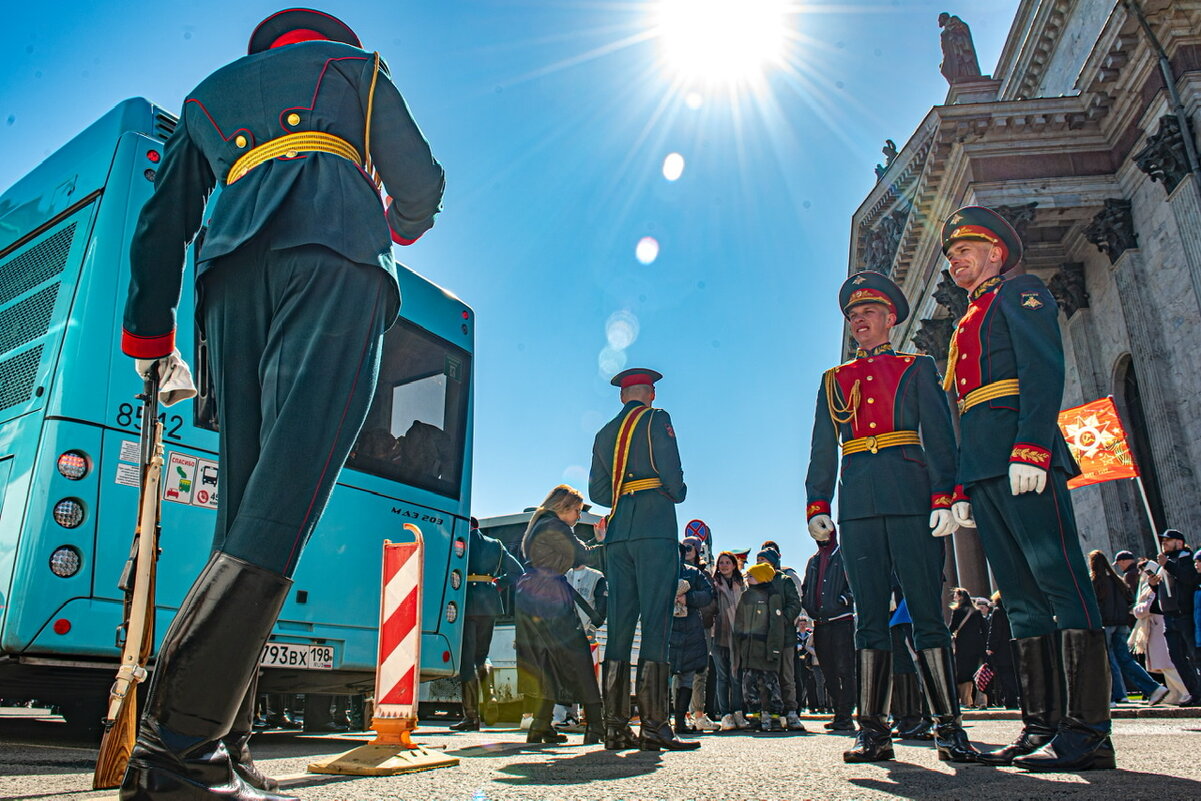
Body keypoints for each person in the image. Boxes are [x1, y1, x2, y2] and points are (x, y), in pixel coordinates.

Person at [118, 9, 444, 800]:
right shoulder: (361, 71)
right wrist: (392, 225)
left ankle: (226, 742)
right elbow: (421, 182)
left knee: (246, 509)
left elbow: (161, 223)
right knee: (282, 504)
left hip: (228, 282)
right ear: (325, 36)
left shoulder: (207, 95)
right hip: (333, 259)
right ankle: (178, 753)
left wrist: (149, 335)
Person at [943, 206, 1110, 771]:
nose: (953, 260)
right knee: (1017, 596)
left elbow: (1043, 368)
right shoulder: (967, 319)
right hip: (986, 467)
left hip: (1021, 456)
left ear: (996, 252)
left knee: (1060, 580)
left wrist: (1033, 445)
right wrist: (962, 485)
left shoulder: (1021, 294)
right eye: (949, 254)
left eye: (964, 249)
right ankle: (1041, 726)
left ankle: (1089, 733)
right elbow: (963, 408)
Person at [805, 270, 975, 764]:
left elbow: (940, 437)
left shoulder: (916, 367)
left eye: (868, 313)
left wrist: (947, 494)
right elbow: (822, 448)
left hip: (911, 496)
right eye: (853, 316)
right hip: (857, 503)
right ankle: (873, 731)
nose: (859, 321)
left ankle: (949, 728)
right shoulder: (833, 381)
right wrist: (818, 504)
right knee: (869, 620)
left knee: (927, 612)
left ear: (890, 319)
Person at [588, 368, 696, 751]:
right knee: (656, 624)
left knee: (618, 628)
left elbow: (598, 490)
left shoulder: (603, 434)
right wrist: (676, 491)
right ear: (649, 394)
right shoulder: (657, 419)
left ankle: (614, 727)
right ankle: (654, 727)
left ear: (622, 397)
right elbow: (673, 476)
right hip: (654, 527)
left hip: (617, 536)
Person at [516, 485, 605, 744]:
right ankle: (596, 727)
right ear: (563, 508)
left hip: (530, 594)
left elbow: (574, 553)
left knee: (544, 661)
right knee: (578, 657)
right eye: (576, 510)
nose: (578, 516)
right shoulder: (557, 527)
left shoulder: (540, 525)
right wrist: (601, 540)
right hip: (550, 595)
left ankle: (540, 725)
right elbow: (582, 556)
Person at [454, 517, 523, 731]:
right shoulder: (496, 545)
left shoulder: (460, 542)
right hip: (489, 604)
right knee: (482, 655)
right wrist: (497, 584)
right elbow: (518, 571)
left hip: (466, 602)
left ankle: (471, 717)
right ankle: (491, 696)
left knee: (467, 659)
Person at [1089, 549, 1168, 706]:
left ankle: (1115, 695)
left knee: (1109, 660)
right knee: (1125, 659)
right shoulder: (1119, 580)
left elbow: (1094, 605)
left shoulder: (1095, 582)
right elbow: (1130, 600)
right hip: (1122, 623)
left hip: (1106, 624)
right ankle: (1152, 688)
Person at [800, 531, 855, 732]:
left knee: (844, 668)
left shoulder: (844, 555)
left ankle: (845, 713)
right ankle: (839, 710)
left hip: (841, 621)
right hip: (821, 622)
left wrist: (842, 601)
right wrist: (807, 603)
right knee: (827, 669)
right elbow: (806, 587)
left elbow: (855, 583)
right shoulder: (813, 561)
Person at [734, 562, 790, 732]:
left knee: (770, 683)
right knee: (749, 684)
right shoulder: (746, 597)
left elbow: (776, 625)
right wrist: (740, 643)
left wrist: (774, 649)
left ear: (761, 577)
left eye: (751, 575)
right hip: (749, 649)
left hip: (766, 648)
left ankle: (774, 717)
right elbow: (739, 622)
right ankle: (756, 716)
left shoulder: (772, 596)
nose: (747, 578)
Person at [755, 548, 806, 731]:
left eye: (764, 559)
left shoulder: (784, 581)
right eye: (758, 559)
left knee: (787, 675)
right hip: (764, 638)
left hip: (785, 637)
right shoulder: (756, 581)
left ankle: (791, 712)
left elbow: (795, 603)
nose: (761, 563)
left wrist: (782, 620)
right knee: (766, 677)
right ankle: (768, 713)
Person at [669, 543, 715, 734]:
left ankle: (680, 721)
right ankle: (663, 720)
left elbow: (708, 594)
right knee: (665, 676)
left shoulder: (694, 573)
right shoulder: (658, 571)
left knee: (687, 676)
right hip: (669, 629)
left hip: (690, 629)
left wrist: (688, 598)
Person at [1131, 563, 1192, 704]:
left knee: (1167, 664)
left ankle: (1186, 691)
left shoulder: (1153, 587)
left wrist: (1136, 610)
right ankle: (1175, 694)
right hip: (1154, 628)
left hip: (1158, 627)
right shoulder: (1149, 587)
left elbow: (1147, 607)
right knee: (1164, 665)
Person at [1153, 530, 1200, 700]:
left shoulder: (1186, 558)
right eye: (1163, 540)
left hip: (1184, 614)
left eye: (1168, 540)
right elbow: (1167, 589)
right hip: (1169, 615)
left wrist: (1168, 565)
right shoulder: (1165, 562)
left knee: (1193, 654)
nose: (1164, 543)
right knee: (1176, 656)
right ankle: (1195, 692)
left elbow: (1189, 579)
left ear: (1179, 542)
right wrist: (1153, 585)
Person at [710, 551, 749, 731]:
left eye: (727, 562)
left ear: (734, 565)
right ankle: (725, 715)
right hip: (718, 634)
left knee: (737, 677)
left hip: (738, 635)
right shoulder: (713, 584)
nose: (724, 565)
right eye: (721, 563)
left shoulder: (742, 585)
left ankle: (738, 712)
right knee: (723, 676)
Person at [949, 588, 987, 709]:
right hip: (978, 645)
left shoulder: (958, 611)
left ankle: (966, 701)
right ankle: (982, 701)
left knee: (964, 673)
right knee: (979, 672)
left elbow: (952, 628)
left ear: (960, 597)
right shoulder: (976, 611)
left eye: (955, 595)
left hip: (963, 646)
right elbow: (985, 629)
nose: (954, 598)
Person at [985, 592, 1020, 709]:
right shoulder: (1012, 608)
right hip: (1014, 646)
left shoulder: (998, 611)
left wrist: (990, 647)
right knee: (1015, 674)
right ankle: (1018, 698)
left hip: (1002, 649)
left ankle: (1010, 700)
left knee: (1005, 676)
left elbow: (994, 630)